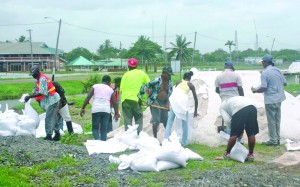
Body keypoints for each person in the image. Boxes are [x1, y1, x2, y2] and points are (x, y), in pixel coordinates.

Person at [252, 55, 287, 146]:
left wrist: (255, 91)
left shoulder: (265, 73)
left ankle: (273, 140)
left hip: (270, 100)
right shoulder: (278, 70)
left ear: (265, 62)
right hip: (279, 98)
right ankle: (277, 139)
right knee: (277, 119)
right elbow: (285, 83)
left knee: (271, 120)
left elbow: (264, 87)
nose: (262, 64)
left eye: (263, 62)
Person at [24, 65, 61, 141]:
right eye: (32, 74)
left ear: (38, 72)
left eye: (34, 74)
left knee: (48, 118)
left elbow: (42, 92)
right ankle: (57, 134)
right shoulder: (38, 80)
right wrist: (30, 95)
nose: (33, 76)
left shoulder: (42, 79)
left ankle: (49, 136)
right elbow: (35, 90)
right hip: (50, 101)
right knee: (53, 117)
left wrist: (30, 97)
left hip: (52, 100)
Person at [80, 75, 120, 140]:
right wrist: (116, 113)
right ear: (109, 82)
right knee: (104, 129)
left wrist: (83, 108)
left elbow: (88, 97)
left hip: (96, 109)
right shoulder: (110, 90)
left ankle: (97, 142)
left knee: (95, 129)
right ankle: (102, 144)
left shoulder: (95, 86)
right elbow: (114, 102)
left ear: (102, 80)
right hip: (106, 110)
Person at [164, 71, 198, 146]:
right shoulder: (190, 84)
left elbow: (174, 93)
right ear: (190, 78)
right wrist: (195, 111)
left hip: (174, 102)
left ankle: (165, 140)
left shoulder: (178, 82)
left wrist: (168, 104)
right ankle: (184, 142)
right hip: (182, 103)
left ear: (183, 77)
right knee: (184, 123)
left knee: (169, 122)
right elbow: (195, 99)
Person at [219, 96, 259, 161]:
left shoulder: (222, 107)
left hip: (239, 108)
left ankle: (227, 153)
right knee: (251, 133)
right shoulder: (233, 100)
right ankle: (251, 155)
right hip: (253, 106)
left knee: (234, 134)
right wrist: (241, 129)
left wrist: (234, 129)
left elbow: (227, 120)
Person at [138, 66, 174, 138]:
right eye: (168, 74)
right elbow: (145, 87)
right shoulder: (156, 80)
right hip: (155, 101)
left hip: (164, 103)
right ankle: (155, 138)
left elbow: (170, 94)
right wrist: (139, 98)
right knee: (156, 120)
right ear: (164, 73)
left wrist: (167, 103)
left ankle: (168, 138)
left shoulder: (170, 82)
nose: (169, 76)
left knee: (166, 121)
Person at [120, 58, 150, 135]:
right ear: (136, 65)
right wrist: (149, 97)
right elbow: (149, 86)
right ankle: (138, 136)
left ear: (128, 66)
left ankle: (128, 138)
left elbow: (121, 90)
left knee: (128, 121)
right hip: (136, 100)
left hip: (125, 100)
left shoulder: (125, 75)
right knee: (138, 119)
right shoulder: (142, 74)